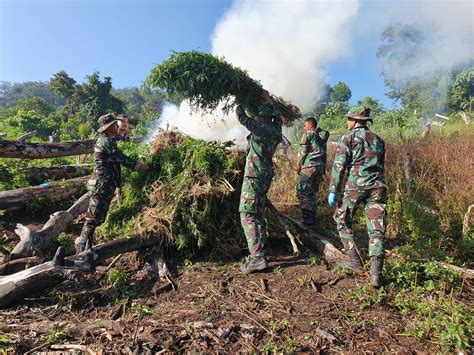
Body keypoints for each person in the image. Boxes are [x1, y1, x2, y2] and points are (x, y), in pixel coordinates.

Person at [328, 105, 387, 287]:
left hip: (356, 186)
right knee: (376, 228)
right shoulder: (378, 140)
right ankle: (376, 274)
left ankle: (355, 262)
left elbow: (339, 166)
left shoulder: (348, 138)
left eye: (349, 119)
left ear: (355, 121)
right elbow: (381, 165)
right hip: (378, 186)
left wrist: (333, 190)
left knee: (342, 220)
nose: (347, 122)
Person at [75, 113, 150, 254]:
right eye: (115, 125)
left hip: (104, 184)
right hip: (101, 184)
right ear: (109, 127)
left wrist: (127, 131)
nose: (117, 126)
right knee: (92, 218)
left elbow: (122, 138)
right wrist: (147, 167)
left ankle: (86, 249)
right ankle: (81, 251)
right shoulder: (106, 142)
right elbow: (125, 160)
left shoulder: (108, 140)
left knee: (96, 217)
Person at [237, 90, 282, 274]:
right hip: (265, 175)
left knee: (247, 214)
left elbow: (241, 116)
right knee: (259, 212)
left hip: (254, 175)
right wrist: (270, 101)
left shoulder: (259, 128)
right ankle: (261, 251)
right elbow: (278, 118)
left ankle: (257, 257)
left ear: (261, 117)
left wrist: (239, 99)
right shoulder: (276, 130)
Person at [296, 117, 329, 225]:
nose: (304, 128)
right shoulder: (321, 137)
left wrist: (299, 164)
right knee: (312, 192)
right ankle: (312, 217)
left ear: (310, 125)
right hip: (319, 168)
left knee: (302, 189)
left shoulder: (309, 134)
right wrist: (323, 170)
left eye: (305, 125)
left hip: (309, 166)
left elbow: (304, 151)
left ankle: (307, 218)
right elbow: (324, 154)